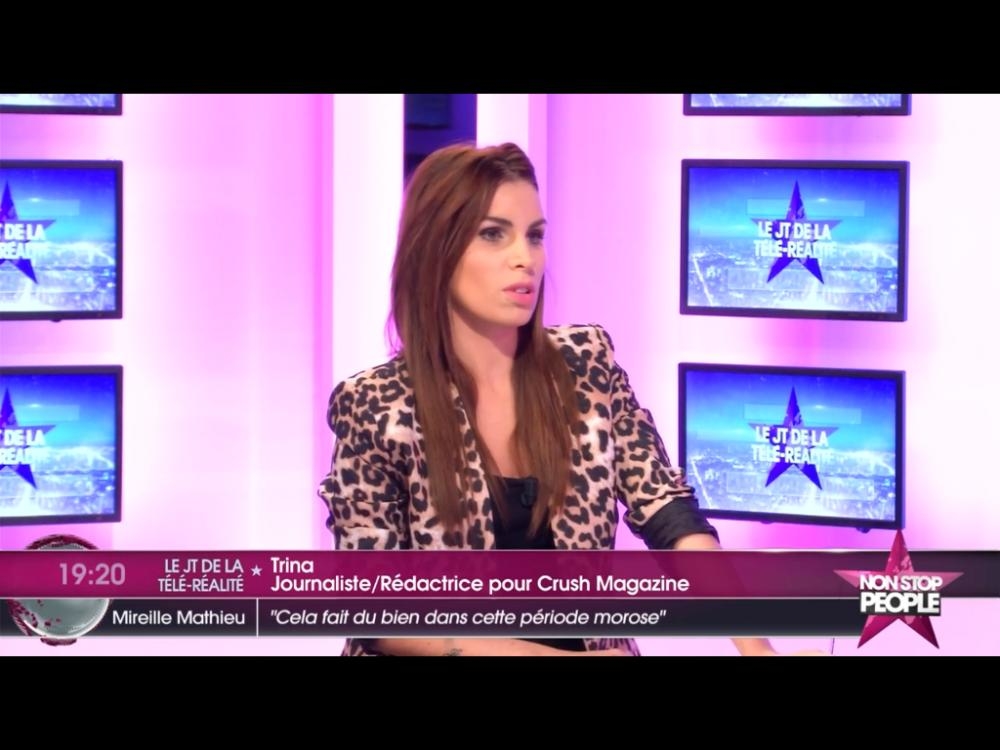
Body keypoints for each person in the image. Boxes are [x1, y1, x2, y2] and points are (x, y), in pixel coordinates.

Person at [318, 142, 814, 657]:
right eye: (493, 234)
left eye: (535, 236)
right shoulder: (375, 405)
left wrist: (758, 649)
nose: (525, 258)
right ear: (436, 250)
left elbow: (667, 511)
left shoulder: (585, 364)